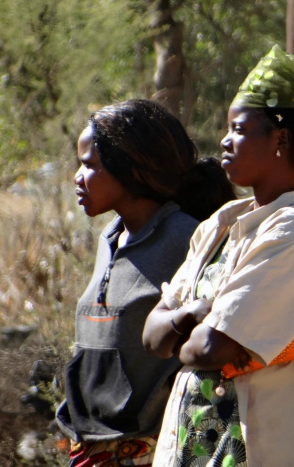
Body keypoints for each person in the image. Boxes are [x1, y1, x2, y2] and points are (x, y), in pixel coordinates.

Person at [143, 28, 294, 466]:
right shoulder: (221, 224)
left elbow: (208, 350)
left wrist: (185, 329)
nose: (225, 141)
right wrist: (196, 313)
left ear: (281, 141)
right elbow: (152, 337)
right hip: (194, 445)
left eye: (239, 129)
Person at [55, 98, 236, 467]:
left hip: (146, 451)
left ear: (131, 169)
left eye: (89, 165)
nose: (77, 176)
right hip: (89, 446)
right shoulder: (111, 237)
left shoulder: (187, 239)